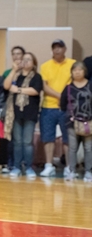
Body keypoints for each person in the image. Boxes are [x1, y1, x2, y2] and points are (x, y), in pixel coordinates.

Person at [39, 39, 75, 177]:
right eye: (54, 47)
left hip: (68, 107)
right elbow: (44, 86)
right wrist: (61, 96)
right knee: (48, 137)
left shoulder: (72, 64)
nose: (57, 50)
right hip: (48, 106)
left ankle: (69, 167)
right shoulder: (45, 66)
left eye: (60, 47)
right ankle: (49, 166)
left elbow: (75, 83)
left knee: (68, 138)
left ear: (65, 49)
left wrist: (65, 99)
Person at [3, 52, 43, 178]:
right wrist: (14, 70)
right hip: (16, 114)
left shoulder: (36, 77)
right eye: (24, 59)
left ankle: (29, 167)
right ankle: (16, 167)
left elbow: (35, 90)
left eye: (29, 59)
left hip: (30, 113)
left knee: (27, 142)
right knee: (17, 142)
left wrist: (19, 90)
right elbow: (6, 85)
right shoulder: (17, 76)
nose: (25, 61)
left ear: (34, 63)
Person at [60, 62, 92, 182]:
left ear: (85, 71)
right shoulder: (68, 88)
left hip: (89, 122)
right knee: (72, 148)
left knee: (88, 148)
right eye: (74, 70)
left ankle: (88, 172)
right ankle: (72, 171)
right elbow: (62, 104)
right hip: (72, 122)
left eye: (80, 70)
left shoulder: (90, 85)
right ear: (71, 73)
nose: (77, 72)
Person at [0, 45, 26, 173]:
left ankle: (23, 163)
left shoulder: (27, 71)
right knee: (10, 137)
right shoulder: (7, 73)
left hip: (24, 107)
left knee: (23, 138)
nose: (16, 56)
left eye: (18, 54)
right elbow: (5, 88)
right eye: (14, 54)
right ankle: (10, 163)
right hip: (10, 107)